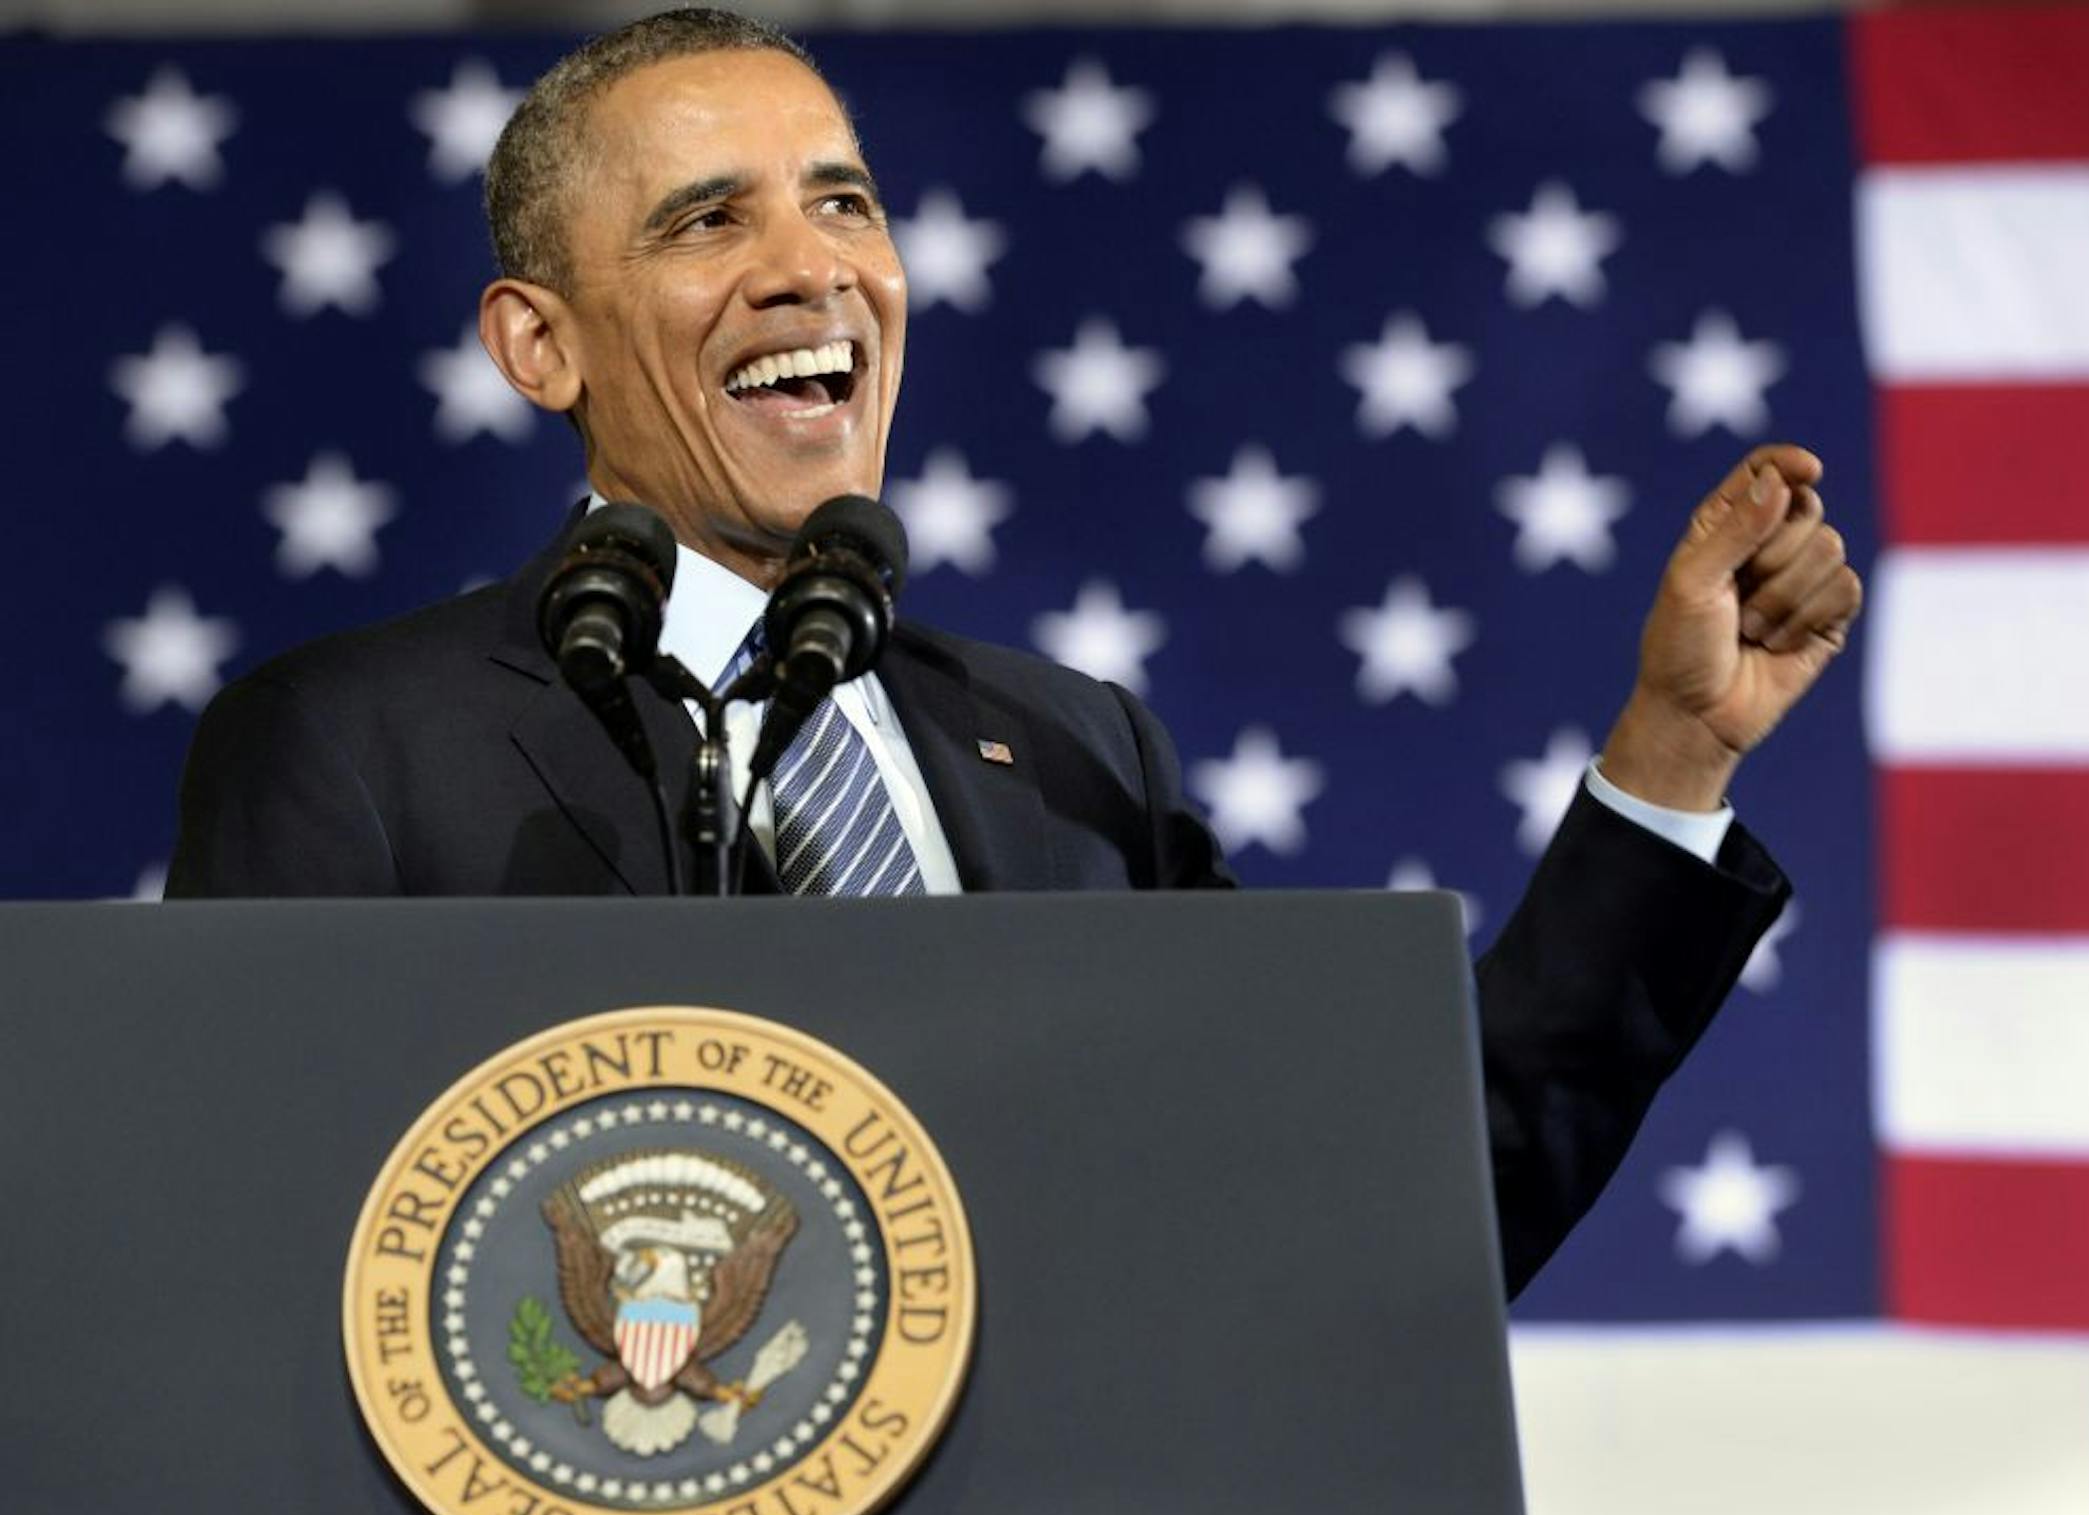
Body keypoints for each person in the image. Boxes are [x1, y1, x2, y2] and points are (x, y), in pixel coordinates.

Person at [167, 11, 1861, 1294]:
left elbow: (1390, 1220)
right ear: (540, 345)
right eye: (707, 222)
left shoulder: (1074, 754)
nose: (812, 269)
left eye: (844, 201)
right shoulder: (355, 747)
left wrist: (1674, 752)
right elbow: (248, 1272)